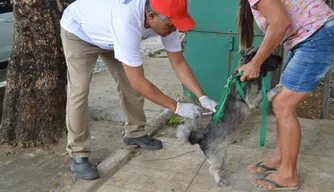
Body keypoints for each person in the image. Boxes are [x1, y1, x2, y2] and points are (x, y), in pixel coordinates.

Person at [60, 0, 218, 180]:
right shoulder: (126, 22)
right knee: (79, 92)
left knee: (129, 84)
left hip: (112, 34)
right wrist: (176, 107)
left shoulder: (165, 19)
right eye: (172, 25)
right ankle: (77, 154)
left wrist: (202, 96)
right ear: (151, 16)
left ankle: (135, 132)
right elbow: (139, 81)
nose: (176, 29)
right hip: (81, 33)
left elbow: (179, 63)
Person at [237, 0, 334, 190]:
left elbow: (280, 23)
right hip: (307, 36)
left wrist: (255, 63)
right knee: (281, 101)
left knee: (283, 105)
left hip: (317, 35)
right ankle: (279, 159)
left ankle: (289, 174)